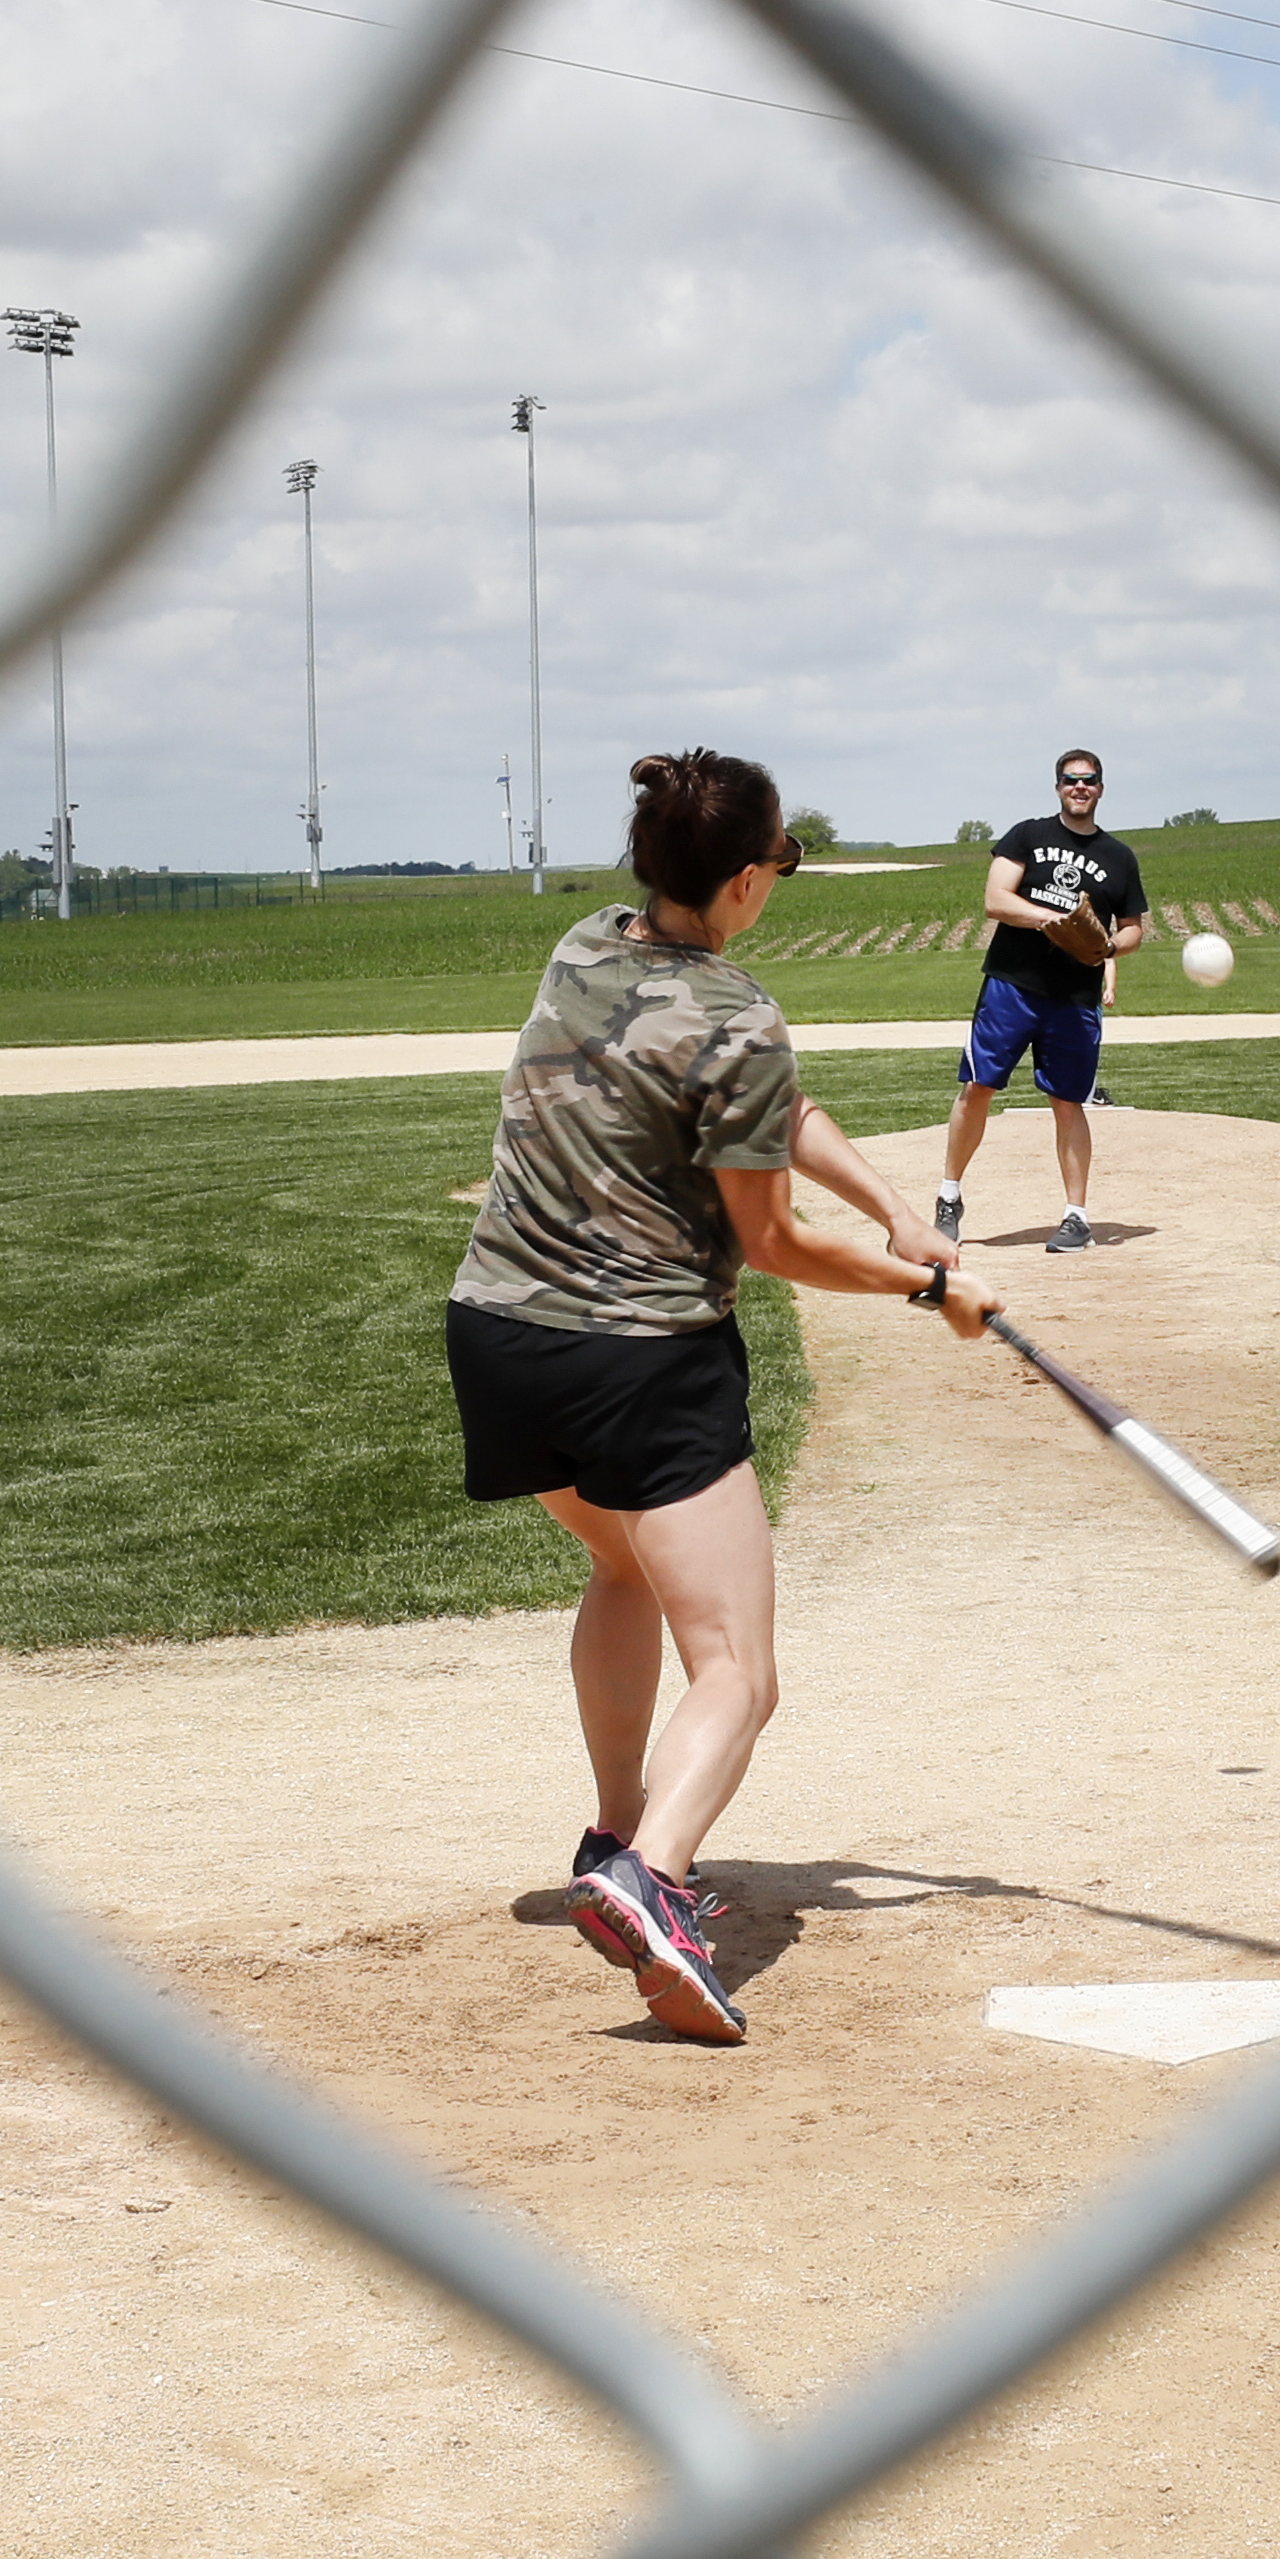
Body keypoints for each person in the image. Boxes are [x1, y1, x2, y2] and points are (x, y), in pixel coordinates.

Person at [449, 748, 988, 2046]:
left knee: (625, 1568)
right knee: (739, 1670)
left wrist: (898, 1209)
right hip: (639, 1361)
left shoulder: (587, 946)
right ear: (745, 880)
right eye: (770, 876)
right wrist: (929, 1291)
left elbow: (772, 1107)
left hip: (500, 1338)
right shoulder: (737, 1013)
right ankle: (657, 1877)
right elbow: (771, 1243)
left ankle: (615, 1828)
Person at [934, 747, 1150, 1252]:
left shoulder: (1119, 857)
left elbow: (1134, 927)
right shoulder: (1029, 835)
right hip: (1013, 985)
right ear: (1057, 787)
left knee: (1068, 1101)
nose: (1080, 787)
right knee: (977, 1087)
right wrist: (1053, 921)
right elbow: (996, 899)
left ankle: (1076, 1218)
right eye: (1071, 779)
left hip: (1074, 997)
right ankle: (949, 1198)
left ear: (1100, 787)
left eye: (1089, 779)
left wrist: (1107, 947)